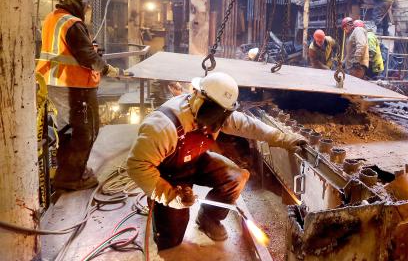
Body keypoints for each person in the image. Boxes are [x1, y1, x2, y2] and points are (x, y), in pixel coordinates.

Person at [126, 72, 306, 250]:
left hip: (196, 162)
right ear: (197, 96)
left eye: (221, 116)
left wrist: (283, 139)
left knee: (237, 177)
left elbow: (249, 125)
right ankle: (159, 212)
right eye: (213, 115)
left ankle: (208, 218)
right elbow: (137, 166)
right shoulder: (163, 126)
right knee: (171, 241)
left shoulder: (218, 114)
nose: (214, 124)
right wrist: (171, 197)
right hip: (170, 175)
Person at [36, 0, 125, 190]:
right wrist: (110, 70)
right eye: (85, 3)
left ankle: (68, 170)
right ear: (77, 1)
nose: (87, 8)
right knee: (85, 131)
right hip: (75, 86)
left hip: (56, 82)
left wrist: (91, 50)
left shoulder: (53, 18)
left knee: (67, 128)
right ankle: (72, 178)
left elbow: (72, 50)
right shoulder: (72, 23)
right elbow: (86, 57)